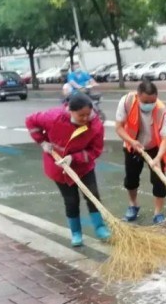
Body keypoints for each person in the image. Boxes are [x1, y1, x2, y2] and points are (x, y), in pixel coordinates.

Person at [25, 93, 111, 247]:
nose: (85, 118)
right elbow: (30, 120)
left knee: (93, 196)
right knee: (71, 201)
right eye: (81, 115)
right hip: (59, 167)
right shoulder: (54, 118)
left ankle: (100, 228)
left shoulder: (96, 125)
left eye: (88, 114)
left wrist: (74, 158)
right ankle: (76, 233)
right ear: (70, 111)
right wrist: (42, 142)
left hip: (83, 166)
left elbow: (95, 151)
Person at [114, 80, 166, 224]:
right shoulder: (127, 101)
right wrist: (131, 141)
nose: (149, 104)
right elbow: (119, 127)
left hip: (154, 147)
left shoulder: (161, 110)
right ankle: (133, 205)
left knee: (159, 181)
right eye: (146, 101)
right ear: (138, 95)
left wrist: (158, 158)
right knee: (131, 179)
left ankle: (158, 213)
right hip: (132, 144)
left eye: (152, 101)